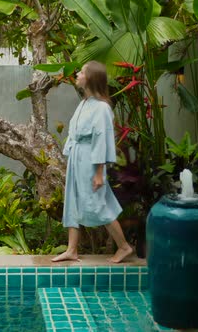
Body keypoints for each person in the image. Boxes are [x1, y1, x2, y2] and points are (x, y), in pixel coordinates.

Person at [52, 61, 133, 264]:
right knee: (73, 200)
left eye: (81, 72)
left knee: (98, 204)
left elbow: (101, 140)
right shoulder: (85, 103)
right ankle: (72, 249)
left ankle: (124, 246)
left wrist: (99, 172)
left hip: (90, 161)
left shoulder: (102, 108)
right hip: (78, 159)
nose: (77, 74)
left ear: (90, 78)